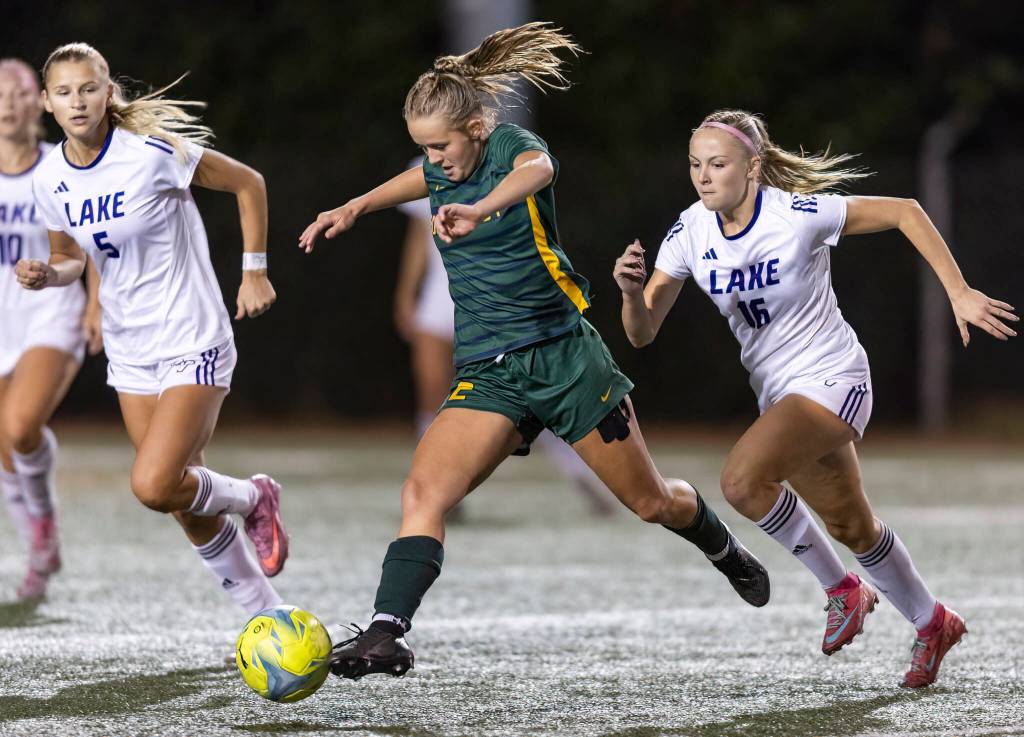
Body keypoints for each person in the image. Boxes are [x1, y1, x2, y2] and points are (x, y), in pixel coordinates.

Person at [300, 23, 770, 680]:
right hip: (491, 372)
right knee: (423, 491)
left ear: (476, 127)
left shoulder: (512, 149)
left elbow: (539, 170)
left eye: (440, 146)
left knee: (651, 501)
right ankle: (386, 631)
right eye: (422, 150)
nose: (432, 161)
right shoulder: (441, 165)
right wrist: (358, 205)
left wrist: (480, 208)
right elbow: (417, 184)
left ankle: (723, 548)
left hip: (565, 360)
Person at [614, 109, 1017, 688]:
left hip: (834, 378)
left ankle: (842, 590)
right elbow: (642, 331)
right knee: (854, 527)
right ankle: (933, 622)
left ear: (752, 167)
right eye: (695, 165)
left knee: (742, 482)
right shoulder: (689, 233)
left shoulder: (795, 213)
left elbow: (906, 211)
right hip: (780, 396)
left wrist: (959, 291)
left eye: (718, 164)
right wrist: (631, 294)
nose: (703, 176)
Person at [16, 43, 289, 618]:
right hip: (130, 347)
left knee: (154, 484)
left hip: (192, 335)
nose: (78, 101)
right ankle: (266, 617)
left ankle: (255, 494)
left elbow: (250, 183)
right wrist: (49, 275)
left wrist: (255, 271)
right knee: (181, 498)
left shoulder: (152, 153)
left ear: (108, 91)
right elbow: (69, 257)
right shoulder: (47, 179)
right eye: (63, 92)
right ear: (47, 103)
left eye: (88, 88)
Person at [394, 164, 614, 517]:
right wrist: (406, 293)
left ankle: (584, 474)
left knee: (531, 393)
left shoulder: (508, 160)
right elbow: (420, 237)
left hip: (493, 305)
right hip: (439, 303)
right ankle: (440, 492)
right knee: (431, 396)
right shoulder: (422, 167)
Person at [0, 58, 101, 600]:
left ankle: (41, 527)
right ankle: (41, 544)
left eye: (17, 93)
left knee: (20, 427)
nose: (7, 103)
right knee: (4, 445)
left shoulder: (59, 167)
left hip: (50, 310)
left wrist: (96, 302)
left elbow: (101, 235)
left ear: (39, 101)